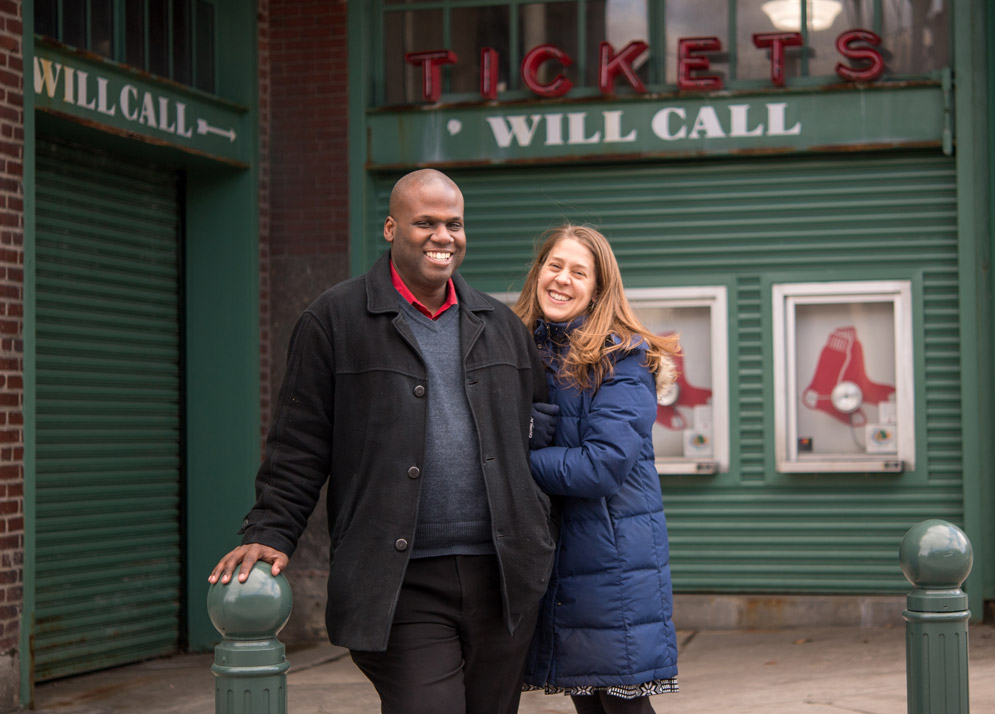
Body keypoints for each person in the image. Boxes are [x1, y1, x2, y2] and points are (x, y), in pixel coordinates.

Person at [208, 168, 558, 714]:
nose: (443, 236)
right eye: (426, 223)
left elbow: (540, 427)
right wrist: (270, 530)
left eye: (454, 224)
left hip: (502, 576)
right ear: (392, 227)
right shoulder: (334, 321)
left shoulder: (501, 324)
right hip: (399, 580)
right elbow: (299, 443)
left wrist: (535, 519)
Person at [513, 224, 681, 714]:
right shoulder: (527, 349)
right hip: (562, 562)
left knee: (621, 706)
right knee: (592, 704)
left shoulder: (621, 358)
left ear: (599, 288)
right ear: (538, 273)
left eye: (579, 272)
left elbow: (600, 467)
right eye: (555, 266)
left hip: (613, 564)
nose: (563, 279)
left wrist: (508, 463)